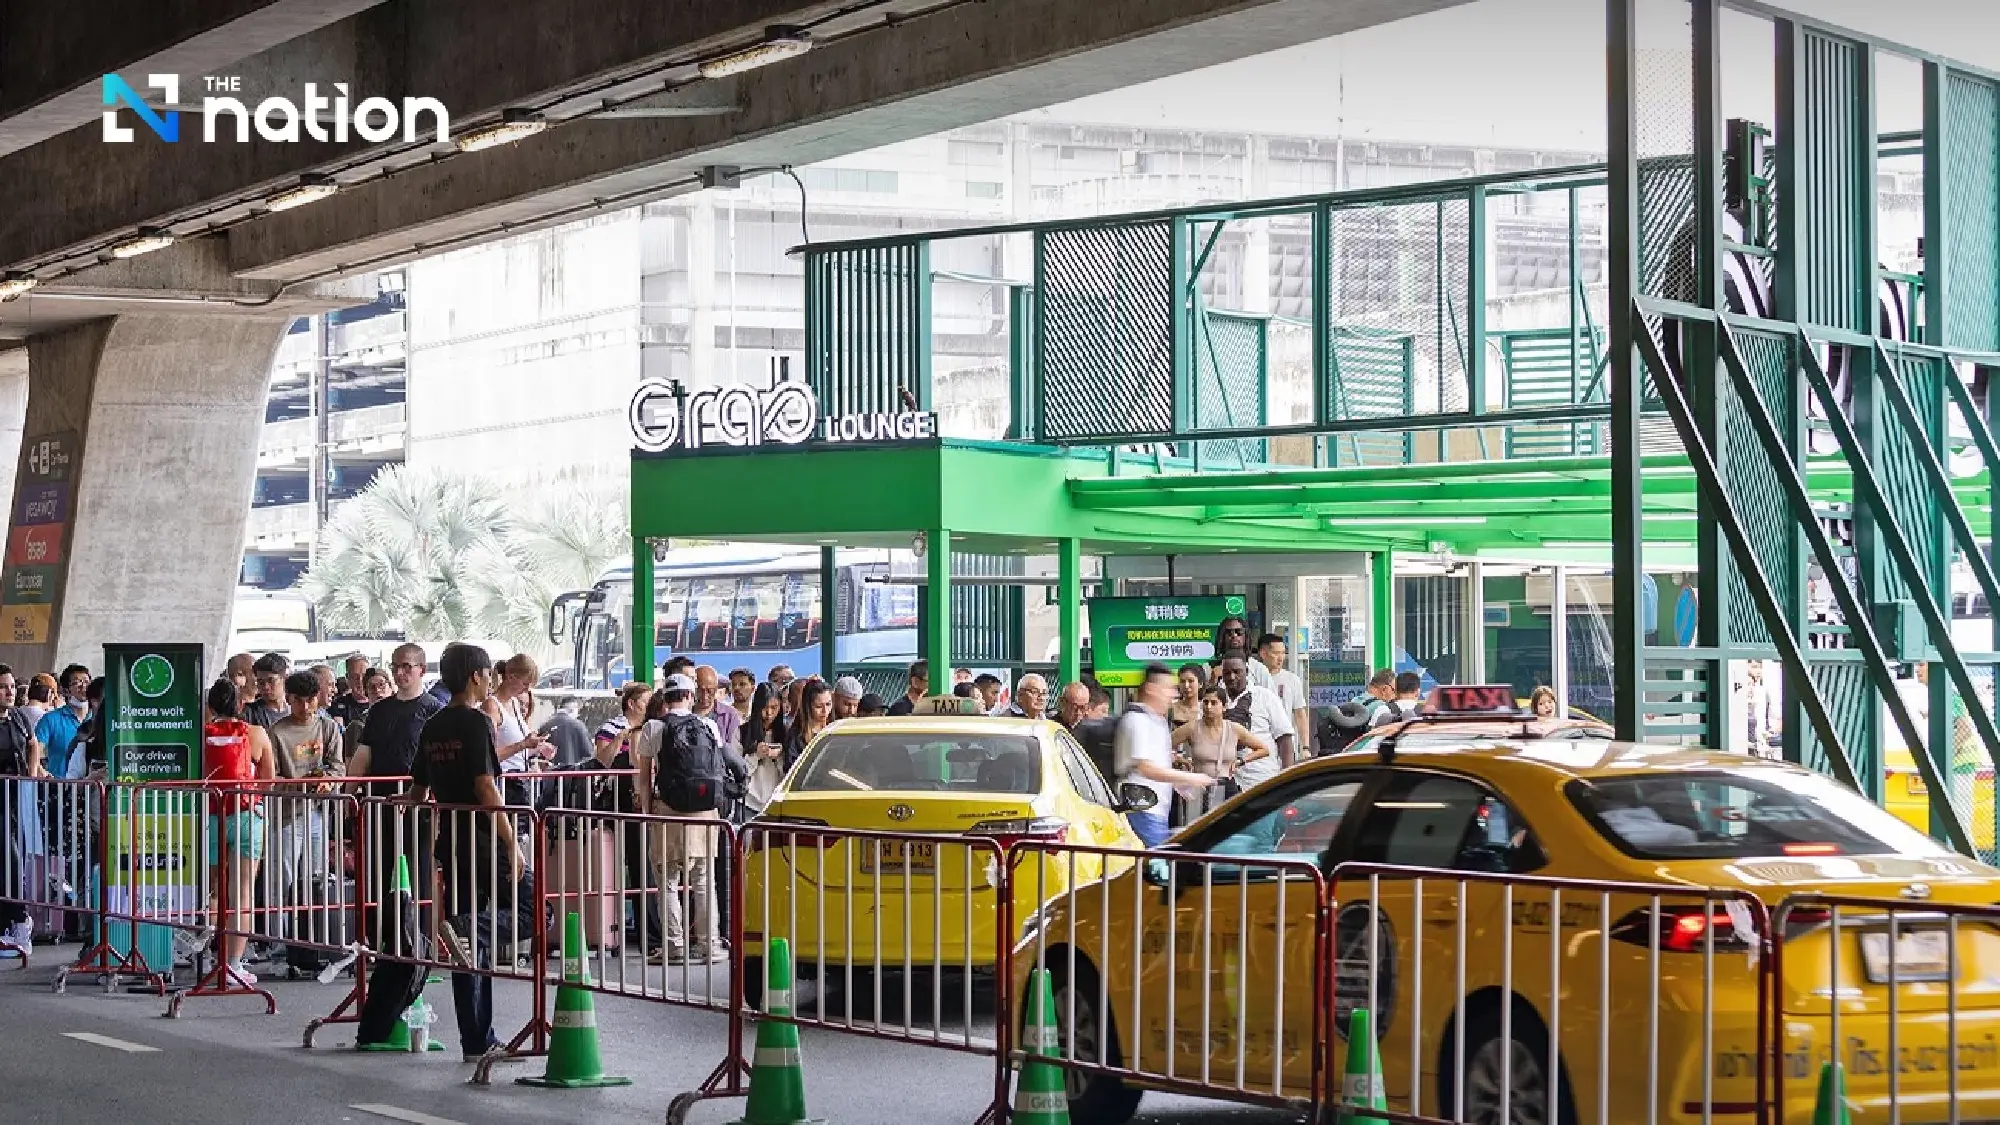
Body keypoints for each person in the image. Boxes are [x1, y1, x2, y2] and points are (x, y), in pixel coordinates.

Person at [399, 643, 517, 1061]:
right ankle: (468, 927)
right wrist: (510, 840)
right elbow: (486, 786)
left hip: (451, 840)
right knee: (535, 910)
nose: (492, 680)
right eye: (488, 673)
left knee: (472, 946)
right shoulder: (475, 723)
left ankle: (476, 1039)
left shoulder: (433, 725)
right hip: (482, 838)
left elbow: (418, 790)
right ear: (475, 677)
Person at [634, 673, 727, 965]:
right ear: (690, 696)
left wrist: (648, 811)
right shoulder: (709, 725)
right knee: (704, 880)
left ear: (665, 697)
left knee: (668, 882)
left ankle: (674, 947)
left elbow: (645, 778)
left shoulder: (654, 728)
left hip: (668, 811)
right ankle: (709, 945)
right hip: (705, 814)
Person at [202, 679, 273, 985]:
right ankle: (233, 964)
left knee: (212, 890)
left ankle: (205, 958)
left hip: (209, 817)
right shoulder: (256, 734)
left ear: (209, 708)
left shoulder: (199, 736)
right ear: (241, 706)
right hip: (247, 817)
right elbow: (269, 780)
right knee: (242, 892)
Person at [268, 670, 344, 950]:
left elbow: (338, 767)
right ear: (289, 699)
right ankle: (279, 941)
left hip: (317, 813)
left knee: (316, 876)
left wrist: (328, 781)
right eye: (299, 700)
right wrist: (300, 785)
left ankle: (314, 937)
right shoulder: (277, 732)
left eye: (311, 700)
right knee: (283, 878)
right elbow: (271, 777)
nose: (306, 706)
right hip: (285, 815)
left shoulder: (328, 728)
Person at [1114, 664, 1215, 848]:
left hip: (1156, 811)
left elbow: (1156, 763)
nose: (1174, 695)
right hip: (1142, 811)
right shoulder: (1137, 720)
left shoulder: (1156, 720)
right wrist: (1189, 777)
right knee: (1156, 867)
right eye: (1168, 689)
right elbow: (1146, 767)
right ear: (1152, 689)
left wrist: (1176, 783)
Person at [1170, 686, 1271, 824]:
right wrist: (1179, 760)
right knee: (1198, 830)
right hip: (1200, 787)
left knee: (1228, 830)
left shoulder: (1234, 729)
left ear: (1224, 707)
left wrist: (1241, 761)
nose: (1208, 707)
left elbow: (1264, 749)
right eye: (1205, 702)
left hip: (1227, 786)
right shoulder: (1192, 728)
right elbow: (1163, 745)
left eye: (1214, 703)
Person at [347, 644, 440, 791]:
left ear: (422, 669)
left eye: (406, 666)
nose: (399, 672)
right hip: (379, 800)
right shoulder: (378, 710)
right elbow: (364, 753)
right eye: (394, 666)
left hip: (417, 801)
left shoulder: (435, 710)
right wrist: (349, 794)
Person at [0, 666, 42, 949]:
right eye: (4, 687)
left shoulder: (18, 717)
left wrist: (33, 770)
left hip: (13, 800)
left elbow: (33, 743)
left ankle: (18, 919)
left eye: (13, 686)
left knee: (12, 859)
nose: (10, 691)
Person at [1216, 655, 1296, 791]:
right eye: (1227, 673)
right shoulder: (1215, 700)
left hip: (1262, 780)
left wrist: (1288, 780)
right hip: (1225, 783)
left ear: (1246, 672)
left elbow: (1285, 739)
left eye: (1237, 672)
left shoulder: (1265, 697)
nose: (1232, 677)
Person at [484, 654, 549, 773]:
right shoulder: (492, 706)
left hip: (519, 777)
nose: (527, 689)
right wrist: (523, 744)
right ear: (510, 677)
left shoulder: (514, 703)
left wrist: (535, 746)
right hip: (504, 779)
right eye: (525, 684)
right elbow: (488, 756)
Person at [1256, 634, 1310, 756]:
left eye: (1283, 653)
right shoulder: (1253, 679)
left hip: (1286, 746)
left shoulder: (1292, 680)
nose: (1281, 658)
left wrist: (1305, 747)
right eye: (1276, 653)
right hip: (1259, 746)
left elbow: (1300, 714)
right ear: (1263, 654)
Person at [739, 684, 788, 816]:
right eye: (764, 708)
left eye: (774, 708)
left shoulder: (786, 733)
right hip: (750, 803)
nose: (769, 713)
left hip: (777, 804)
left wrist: (778, 757)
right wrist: (755, 756)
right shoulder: (743, 732)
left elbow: (789, 774)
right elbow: (739, 772)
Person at [785, 680, 834, 769]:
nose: (825, 711)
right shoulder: (797, 735)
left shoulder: (835, 726)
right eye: (818, 706)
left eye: (828, 704)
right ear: (808, 706)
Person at [1213, 618, 1273, 690]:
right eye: (1229, 632)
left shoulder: (1258, 669)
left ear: (1246, 636)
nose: (1234, 635)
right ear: (1222, 636)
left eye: (1239, 631)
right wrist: (1213, 681)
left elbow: (1272, 699)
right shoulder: (1211, 668)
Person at [694, 666, 743, 749]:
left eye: (710, 691)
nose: (705, 696)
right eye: (700, 690)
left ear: (716, 689)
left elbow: (734, 752)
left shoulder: (729, 715)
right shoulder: (684, 712)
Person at [330, 654, 372, 727]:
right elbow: (340, 733)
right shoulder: (338, 704)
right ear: (347, 679)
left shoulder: (381, 702)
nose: (360, 681)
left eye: (365, 676)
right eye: (355, 677)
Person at [1169, 663, 1206, 728]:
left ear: (1200, 684)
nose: (1186, 686)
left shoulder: (1206, 709)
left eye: (1191, 681)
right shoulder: (1170, 708)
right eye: (1182, 681)